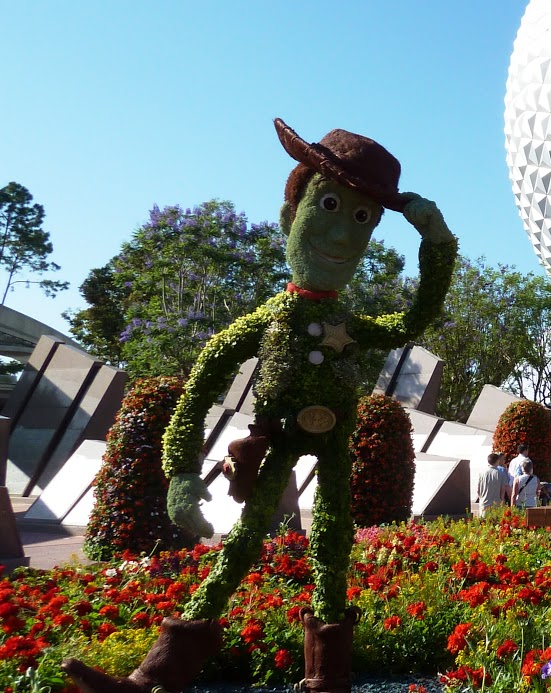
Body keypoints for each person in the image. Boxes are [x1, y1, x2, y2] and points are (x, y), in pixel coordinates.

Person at [64, 119, 457, 693]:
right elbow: (201, 387)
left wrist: (437, 242)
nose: (344, 237)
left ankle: (328, 677)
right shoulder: (268, 321)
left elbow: (414, 321)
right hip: (276, 439)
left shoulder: (349, 322)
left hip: (332, 445)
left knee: (332, 543)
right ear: (291, 215)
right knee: (245, 540)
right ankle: (157, 675)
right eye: (329, 205)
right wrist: (179, 471)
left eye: (361, 219)